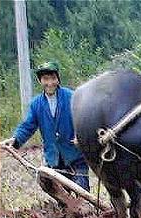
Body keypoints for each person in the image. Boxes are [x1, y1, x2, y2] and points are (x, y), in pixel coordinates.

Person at [8, 61, 90, 193]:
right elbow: (28, 126)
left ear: (58, 79)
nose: (50, 83)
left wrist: (80, 136)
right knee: (63, 199)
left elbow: (84, 119)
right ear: (40, 81)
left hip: (75, 156)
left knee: (82, 195)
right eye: (46, 79)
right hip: (54, 159)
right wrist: (15, 139)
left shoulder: (72, 97)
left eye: (53, 78)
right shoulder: (36, 104)